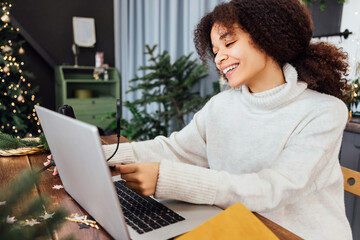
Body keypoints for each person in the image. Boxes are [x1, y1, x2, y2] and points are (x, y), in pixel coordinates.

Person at [49, 0, 353, 239]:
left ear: (268, 37)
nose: (219, 58)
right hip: (232, 225)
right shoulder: (222, 105)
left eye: (229, 44)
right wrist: (95, 154)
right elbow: (175, 149)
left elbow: (272, 187)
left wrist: (166, 179)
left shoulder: (324, 112)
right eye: (216, 50)